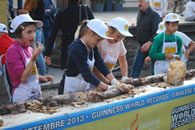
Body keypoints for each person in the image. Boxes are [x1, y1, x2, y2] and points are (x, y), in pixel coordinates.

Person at [64, 19, 120, 93]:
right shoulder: (76, 48)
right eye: (98, 40)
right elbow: (86, 74)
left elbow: (100, 64)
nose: (98, 43)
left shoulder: (92, 47)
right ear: (89, 32)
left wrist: (113, 80)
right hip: (72, 88)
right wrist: (107, 87)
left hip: (84, 86)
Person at [6, 14, 53, 102]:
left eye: (34, 31)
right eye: (29, 32)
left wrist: (41, 77)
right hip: (22, 97)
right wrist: (34, 58)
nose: (33, 35)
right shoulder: (13, 51)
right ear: (19, 33)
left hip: (35, 95)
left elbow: (30, 73)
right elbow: (23, 78)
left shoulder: (30, 49)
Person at [45, 0, 94, 69]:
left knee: (68, 75)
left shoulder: (61, 13)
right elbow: (95, 30)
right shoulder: (85, 10)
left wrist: (48, 53)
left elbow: (53, 34)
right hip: (84, 49)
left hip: (67, 51)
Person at [93, 17, 132, 84]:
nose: (119, 40)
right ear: (109, 30)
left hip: (108, 77)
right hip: (94, 79)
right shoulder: (100, 41)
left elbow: (122, 61)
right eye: (118, 36)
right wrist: (108, 81)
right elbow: (94, 66)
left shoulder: (119, 43)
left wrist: (124, 76)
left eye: (122, 38)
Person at [130, 0, 161, 78]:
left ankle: (156, 87)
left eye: (141, 1)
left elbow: (158, 32)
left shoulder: (155, 15)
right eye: (138, 1)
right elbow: (141, 28)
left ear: (148, 3)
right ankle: (131, 84)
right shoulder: (139, 14)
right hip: (142, 46)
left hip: (154, 47)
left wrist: (149, 43)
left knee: (155, 70)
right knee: (135, 68)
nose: (139, 4)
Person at [24, 0, 47, 76]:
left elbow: (40, 16)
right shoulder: (30, 2)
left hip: (36, 28)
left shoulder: (39, 2)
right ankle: (41, 72)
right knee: (36, 51)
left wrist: (28, 14)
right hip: (34, 28)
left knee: (37, 51)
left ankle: (43, 73)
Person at [0, 23, 14, 101]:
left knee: (10, 86)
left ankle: (13, 102)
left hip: (7, 64)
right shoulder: (12, 40)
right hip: (17, 63)